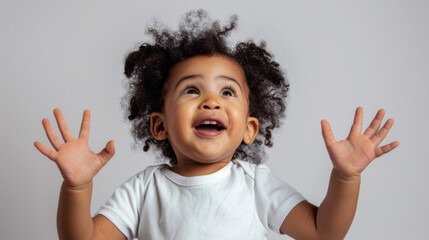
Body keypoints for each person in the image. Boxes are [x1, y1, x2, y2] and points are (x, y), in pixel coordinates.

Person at [34, 10, 399, 240]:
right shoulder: (145, 190)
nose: (211, 101)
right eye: (191, 90)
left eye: (227, 92)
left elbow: (325, 232)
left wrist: (346, 178)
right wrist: (77, 188)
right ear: (159, 125)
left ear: (249, 129)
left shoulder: (256, 185)